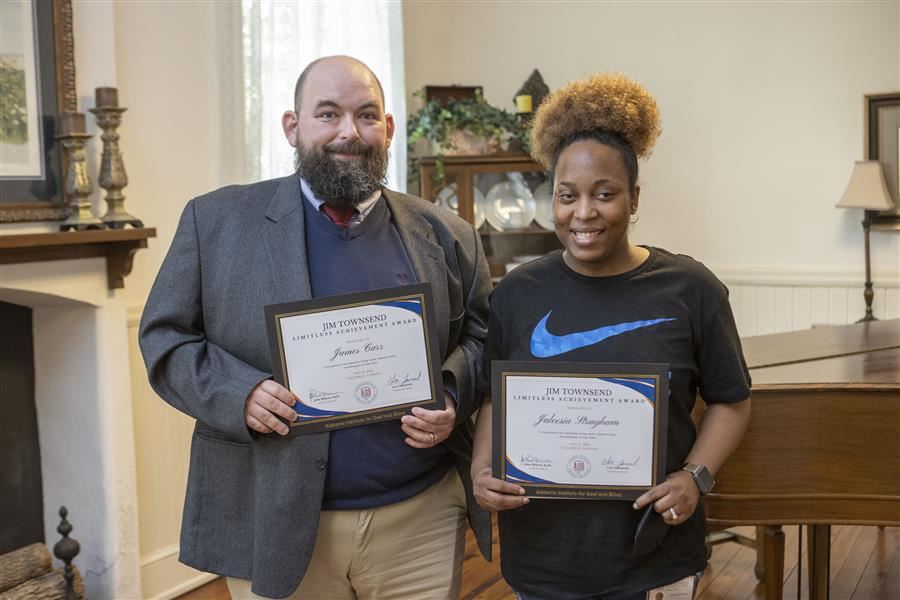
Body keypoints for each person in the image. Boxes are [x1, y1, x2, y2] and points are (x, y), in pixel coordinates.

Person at [139, 55, 492, 600]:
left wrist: (449, 391)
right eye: (328, 114)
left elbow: (482, 336)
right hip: (271, 514)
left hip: (420, 520)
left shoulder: (447, 233)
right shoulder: (215, 223)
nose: (349, 132)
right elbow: (164, 339)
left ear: (388, 128)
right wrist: (240, 393)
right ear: (292, 126)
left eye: (367, 115)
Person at [470, 73, 752, 600]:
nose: (584, 214)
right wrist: (482, 469)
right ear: (550, 198)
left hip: (655, 554)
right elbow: (493, 397)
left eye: (604, 194)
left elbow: (732, 401)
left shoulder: (691, 289)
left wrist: (696, 477)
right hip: (543, 554)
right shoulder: (517, 294)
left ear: (634, 196)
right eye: (567, 195)